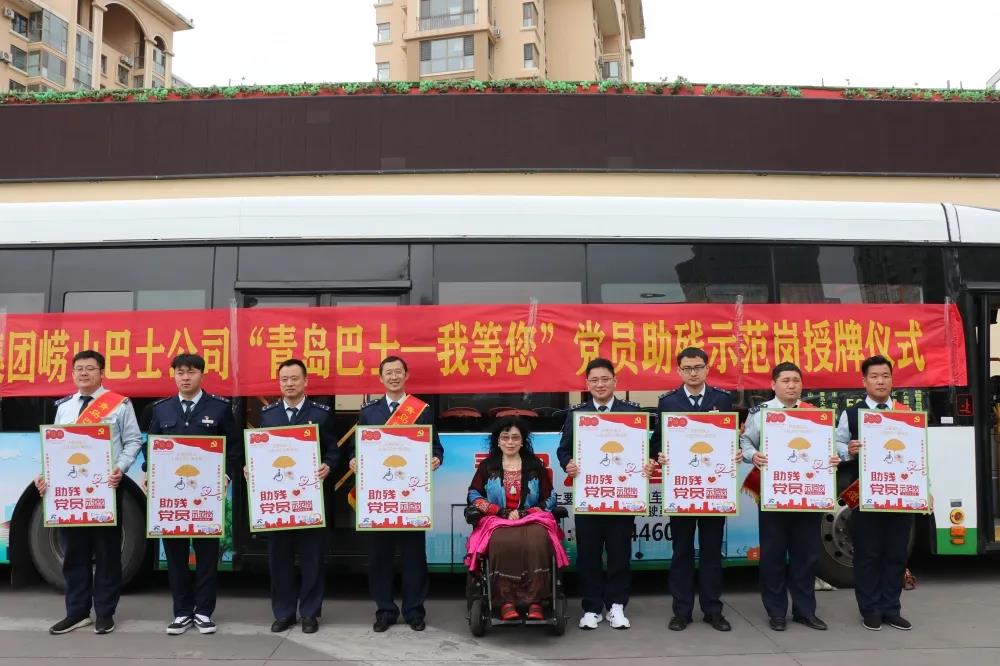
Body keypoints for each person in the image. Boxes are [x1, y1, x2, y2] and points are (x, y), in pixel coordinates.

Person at [34, 350, 142, 635]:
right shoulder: (64, 407)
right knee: (74, 552)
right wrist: (45, 475)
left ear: (101, 373)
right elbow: (55, 447)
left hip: (106, 488)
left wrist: (120, 468)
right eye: (79, 369)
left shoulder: (120, 404)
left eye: (90, 368)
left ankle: (105, 612)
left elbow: (133, 441)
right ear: (73, 374)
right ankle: (77, 612)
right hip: (70, 492)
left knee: (107, 552)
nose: (84, 373)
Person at [739, 362, 840, 632]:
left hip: (807, 495)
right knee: (772, 555)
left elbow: (828, 448)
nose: (792, 385)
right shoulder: (761, 413)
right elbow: (745, 441)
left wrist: (833, 457)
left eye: (796, 380)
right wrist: (753, 455)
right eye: (786, 381)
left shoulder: (815, 415)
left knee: (806, 556)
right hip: (773, 494)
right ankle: (776, 612)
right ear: (773, 385)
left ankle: (805, 611)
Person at [145, 353, 241, 636]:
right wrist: (150, 473)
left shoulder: (220, 408)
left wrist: (226, 475)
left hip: (206, 499)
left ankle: (203, 611)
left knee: (207, 556)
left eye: (191, 372)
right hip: (173, 498)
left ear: (202, 375)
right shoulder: (161, 409)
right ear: (173, 375)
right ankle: (182, 612)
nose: (185, 377)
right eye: (180, 372)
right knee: (175, 556)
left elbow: (234, 449)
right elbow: (151, 447)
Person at [349, 355, 443, 632]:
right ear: (381, 378)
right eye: (388, 373)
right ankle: (385, 611)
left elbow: (435, 446)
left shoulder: (421, 410)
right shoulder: (369, 412)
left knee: (414, 557)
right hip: (379, 499)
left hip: (410, 497)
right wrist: (354, 459)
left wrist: (436, 458)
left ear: (406, 375)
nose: (393, 376)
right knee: (380, 558)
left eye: (398, 372)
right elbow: (357, 447)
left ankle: (414, 611)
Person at [650, 347, 734, 632]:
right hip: (682, 490)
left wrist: (733, 451)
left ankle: (713, 610)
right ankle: (682, 611)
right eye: (687, 368)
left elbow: (730, 437)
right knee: (682, 551)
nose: (693, 373)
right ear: (679, 371)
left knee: (712, 552)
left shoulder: (722, 400)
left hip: (713, 490)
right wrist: (660, 454)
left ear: (707, 369)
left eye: (698, 367)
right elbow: (657, 441)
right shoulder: (668, 402)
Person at [557, 357, 642, 630]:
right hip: (590, 495)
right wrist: (568, 463)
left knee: (619, 553)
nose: (600, 384)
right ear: (587, 384)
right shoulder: (577, 415)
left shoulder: (631, 413)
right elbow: (563, 449)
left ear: (615, 381)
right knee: (588, 555)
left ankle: (617, 605)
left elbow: (644, 450)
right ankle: (591, 607)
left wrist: (647, 462)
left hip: (622, 496)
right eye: (594, 380)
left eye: (605, 379)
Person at [257, 358, 338, 634]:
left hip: (310, 500)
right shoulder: (268, 415)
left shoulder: (321, 414)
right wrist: (251, 466)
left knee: (312, 557)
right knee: (279, 558)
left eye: (294, 379)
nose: (289, 384)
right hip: (278, 501)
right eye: (284, 379)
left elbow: (333, 450)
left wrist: (328, 465)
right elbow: (261, 452)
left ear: (305, 381)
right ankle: (284, 613)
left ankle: (310, 613)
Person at [835, 354, 913, 632]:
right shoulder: (851, 414)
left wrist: (924, 490)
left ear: (892, 380)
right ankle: (870, 609)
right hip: (866, 494)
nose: (881, 381)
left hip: (901, 494)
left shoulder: (906, 413)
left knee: (896, 554)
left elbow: (919, 454)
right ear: (864, 381)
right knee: (868, 554)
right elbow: (835, 447)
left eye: (885, 376)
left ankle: (891, 608)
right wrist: (849, 450)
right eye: (875, 376)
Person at [465, 417, 568, 621]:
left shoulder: (535, 465)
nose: (510, 442)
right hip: (497, 519)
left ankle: (536, 601)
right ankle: (506, 602)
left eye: (515, 438)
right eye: (505, 437)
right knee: (501, 541)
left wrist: (528, 512)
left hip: (532, 518)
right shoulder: (488, 466)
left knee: (538, 540)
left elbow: (551, 497)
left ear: (522, 441)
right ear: (498, 441)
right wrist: (498, 510)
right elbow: (473, 495)